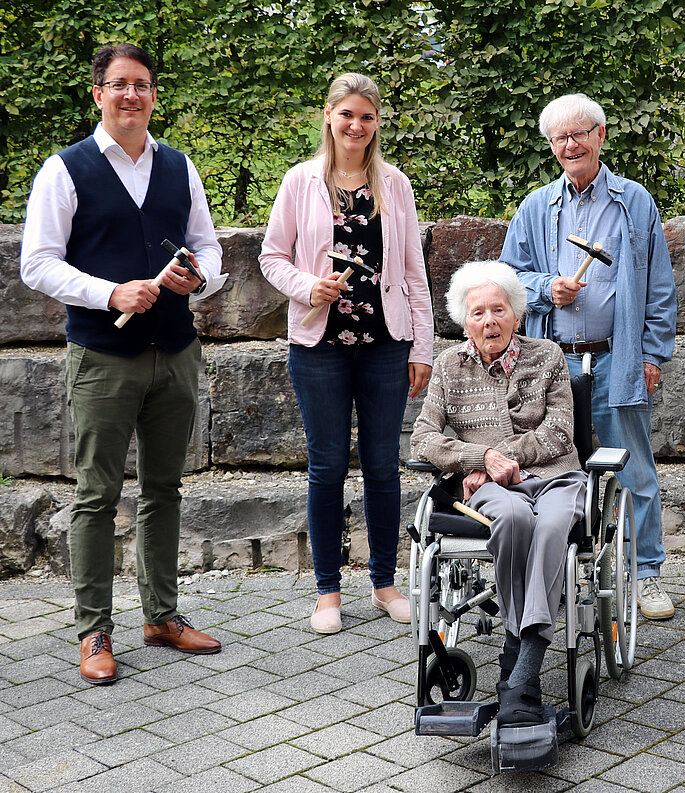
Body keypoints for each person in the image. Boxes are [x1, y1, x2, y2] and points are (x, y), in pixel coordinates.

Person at [20, 43, 224, 684]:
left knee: (165, 490)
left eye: (141, 85)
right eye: (118, 85)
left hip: (176, 350)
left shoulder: (180, 167)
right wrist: (109, 293)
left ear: (154, 96)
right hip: (104, 356)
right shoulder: (64, 170)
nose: (130, 95)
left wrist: (200, 280)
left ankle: (162, 615)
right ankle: (95, 632)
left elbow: (210, 252)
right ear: (97, 94)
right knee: (96, 495)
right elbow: (37, 262)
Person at [259, 73, 433, 634]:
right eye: (346, 115)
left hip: (386, 345)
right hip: (320, 346)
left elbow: (413, 270)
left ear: (376, 123)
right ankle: (328, 592)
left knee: (384, 466)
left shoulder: (395, 185)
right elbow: (270, 257)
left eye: (367, 117)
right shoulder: (300, 181)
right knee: (327, 466)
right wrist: (309, 286)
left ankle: (385, 583)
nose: (356, 125)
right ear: (328, 117)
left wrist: (423, 345)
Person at [500, 94, 677, 621]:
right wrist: (542, 289)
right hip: (552, 369)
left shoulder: (633, 201)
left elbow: (659, 287)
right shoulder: (536, 208)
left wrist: (651, 353)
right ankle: (556, 573)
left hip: (616, 361)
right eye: (560, 138)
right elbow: (508, 280)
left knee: (633, 470)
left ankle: (646, 576)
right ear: (551, 146)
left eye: (580, 134)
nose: (571, 145)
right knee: (551, 469)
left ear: (601, 136)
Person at [410, 260, 586, 724]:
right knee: (512, 520)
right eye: (478, 313)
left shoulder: (546, 356)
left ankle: (522, 662)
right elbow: (422, 437)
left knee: (550, 526)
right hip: (491, 490)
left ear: (517, 314)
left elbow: (560, 432)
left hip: (555, 477)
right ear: (464, 320)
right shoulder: (449, 367)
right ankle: (523, 652)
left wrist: (497, 458)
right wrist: (479, 460)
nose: (489, 321)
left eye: (498, 310)